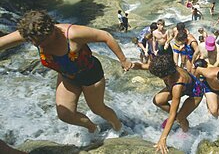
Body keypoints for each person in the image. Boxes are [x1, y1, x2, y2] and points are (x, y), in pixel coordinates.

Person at [0, 10, 133, 135]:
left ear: (51, 30)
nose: (37, 44)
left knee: (97, 109)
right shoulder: (32, 33)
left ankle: (118, 127)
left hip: (90, 75)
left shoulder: (73, 34)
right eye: (33, 42)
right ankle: (93, 128)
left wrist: (123, 60)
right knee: (65, 114)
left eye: (40, 42)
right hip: (67, 76)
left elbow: (106, 36)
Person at [149, 55, 204, 154]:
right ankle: (174, 120)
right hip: (183, 86)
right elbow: (145, 66)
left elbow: (172, 112)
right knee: (157, 100)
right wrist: (130, 64)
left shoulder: (177, 86)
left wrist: (163, 138)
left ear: (166, 74)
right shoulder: (168, 66)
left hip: (196, 91)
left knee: (180, 117)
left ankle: (186, 132)